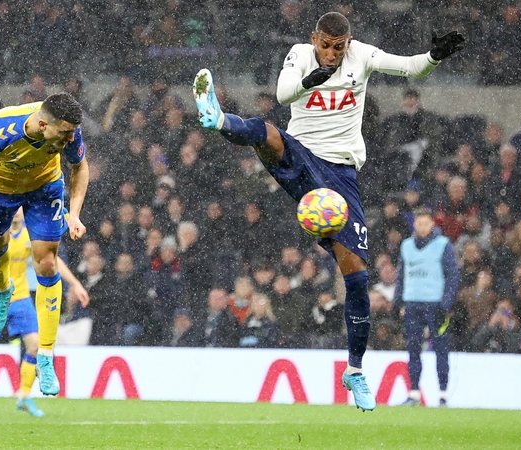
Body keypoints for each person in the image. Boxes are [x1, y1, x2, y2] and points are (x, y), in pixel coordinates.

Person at [192, 11, 464, 411]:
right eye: (327, 46)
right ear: (314, 38)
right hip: (302, 157)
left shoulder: (363, 56)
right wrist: (309, 81)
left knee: (356, 276)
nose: (333, 54)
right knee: (266, 132)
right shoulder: (301, 55)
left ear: (349, 43)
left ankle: (354, 371)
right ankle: (218, 119)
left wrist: (434, 56)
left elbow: (410, 69)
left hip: (340, 176)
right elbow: (284, 92)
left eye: (340, 47)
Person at [0, 93, 89, 396]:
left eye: (73, 132)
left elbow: (80, 167)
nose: (70, 139)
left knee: (46, 262)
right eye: (64, 133)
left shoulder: (67, 131)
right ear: (43, 124)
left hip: (43, 189)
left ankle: (46, 355)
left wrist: (74, 215)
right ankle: (3, 291)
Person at [0, 208, 88, 417]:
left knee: (35, 346)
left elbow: (52, 260)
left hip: (21, 297)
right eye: (12, 207)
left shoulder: (30, 234)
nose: (15, 212)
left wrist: (75, 284)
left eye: (19, 208)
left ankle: (24, 396)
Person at [395, 208, 459, 407]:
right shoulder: (406, 246)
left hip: (435, 305)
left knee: (441, 349)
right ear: (414, 224)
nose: (422, 227)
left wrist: (446, 303)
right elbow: (401, 276)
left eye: (426, 223)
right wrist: (398, 301)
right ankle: (414, 393)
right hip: (412, 303)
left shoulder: (442, 245)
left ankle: (442, 395)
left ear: (433, 224)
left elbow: (453, 276)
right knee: (412, 349)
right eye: (419, 223)